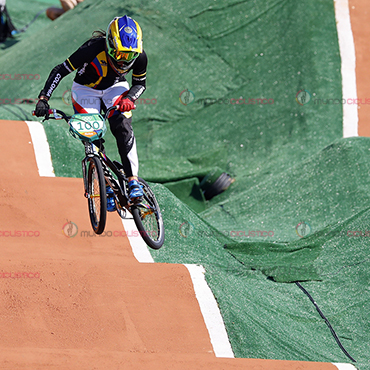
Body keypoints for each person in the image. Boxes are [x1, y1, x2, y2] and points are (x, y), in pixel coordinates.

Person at [34, 15, 146, 207]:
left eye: (129, 55)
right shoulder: (92, 48)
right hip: (85, 90)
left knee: (122, 125)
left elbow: (140, 84)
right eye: (120, 54)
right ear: (110, 43)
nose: (124, 60)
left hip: (115, 87)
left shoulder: (141, 56)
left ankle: (133, 180)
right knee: (91, 135)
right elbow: (60, 70)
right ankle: (106, 183)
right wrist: (44, 98)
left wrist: (129, 99)